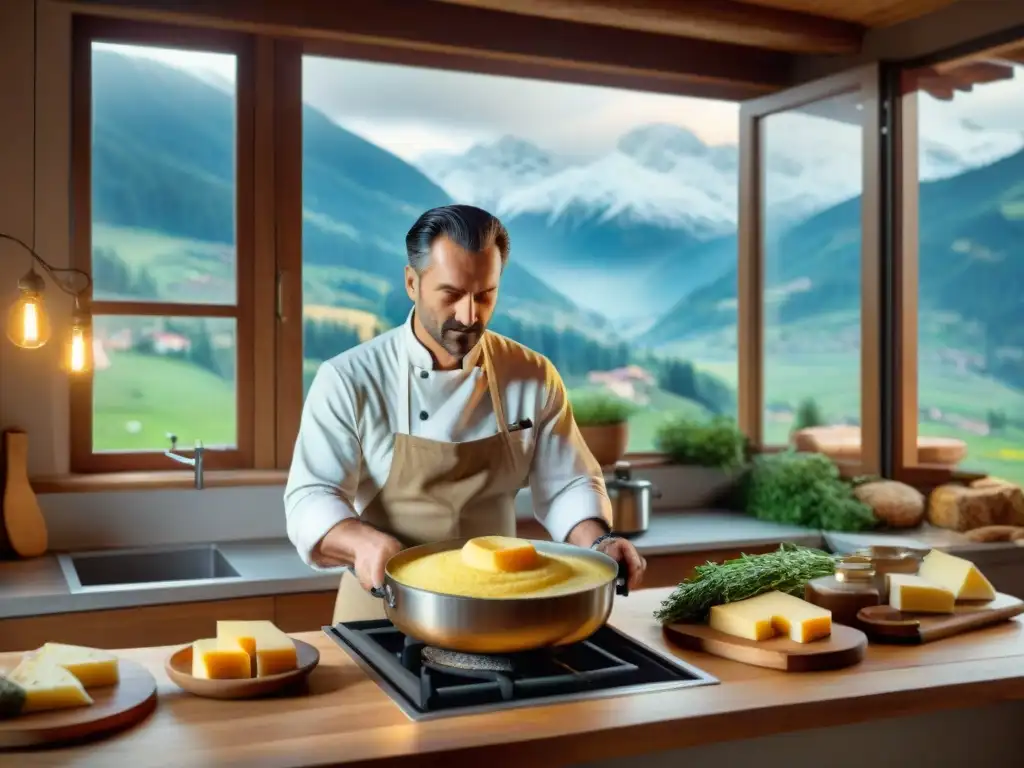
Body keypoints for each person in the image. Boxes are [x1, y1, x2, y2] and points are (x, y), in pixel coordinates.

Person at [284, 204, 647, 623]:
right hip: (382, 611)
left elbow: (567, 484)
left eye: (485, 294)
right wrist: (363, 543)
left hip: (496, 613)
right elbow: (311, 496)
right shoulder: (349, 379)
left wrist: (599, 541)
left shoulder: (532, 375)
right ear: (411, 283)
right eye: (452, 294)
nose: (470, 315)